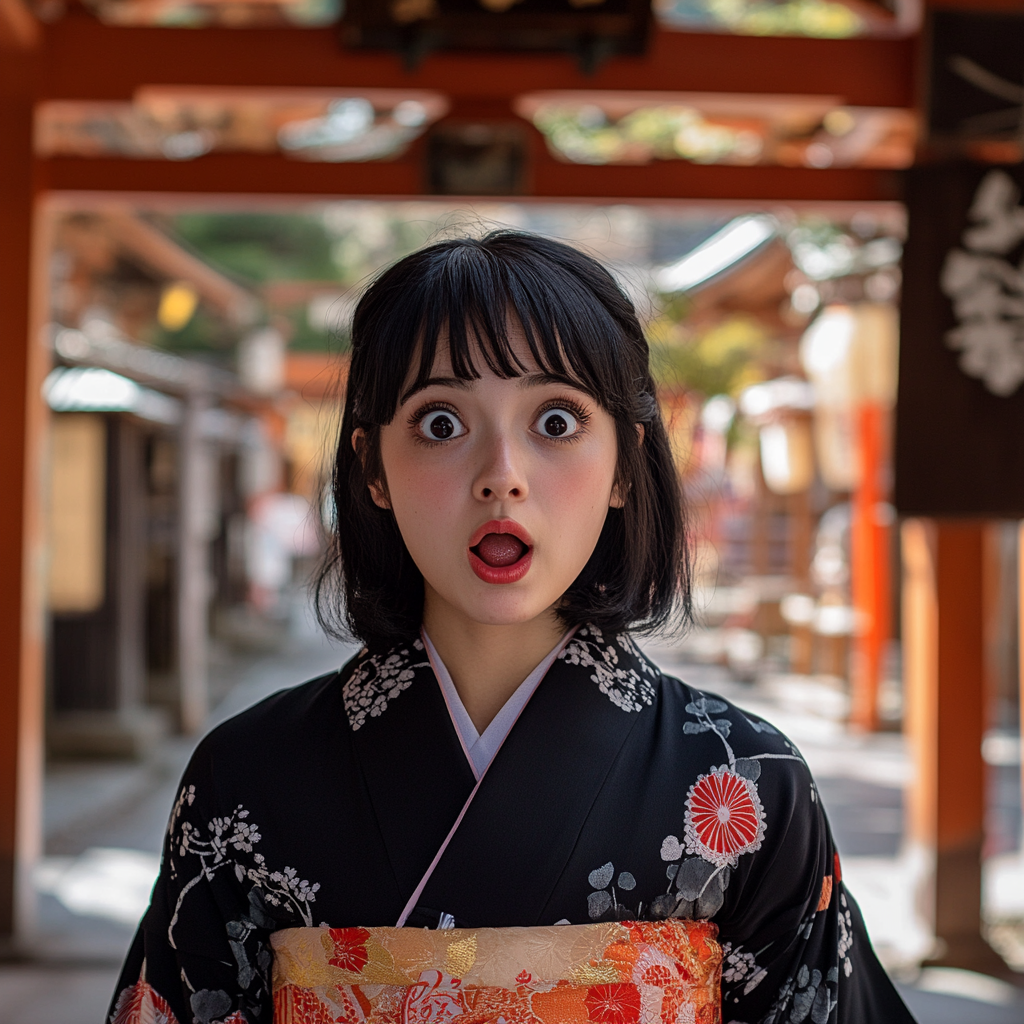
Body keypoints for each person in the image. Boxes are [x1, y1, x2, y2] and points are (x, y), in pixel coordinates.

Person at [108, 231, 916, 1024]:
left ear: (626, 467)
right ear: (372, 469)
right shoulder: (247, 780)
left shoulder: (749, 786)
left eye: (556, 422)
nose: (502, 476)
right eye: (440, 423)